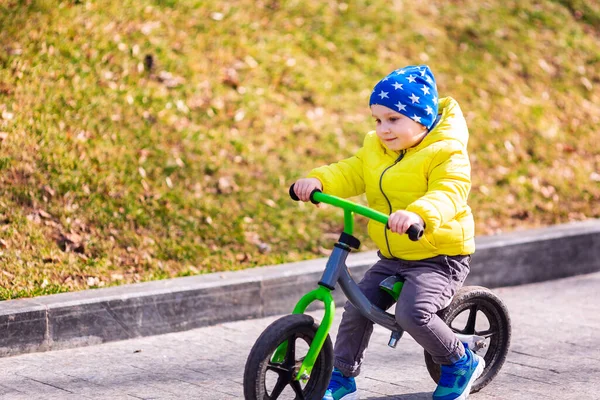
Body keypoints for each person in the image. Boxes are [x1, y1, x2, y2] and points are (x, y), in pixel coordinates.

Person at [292, 65, 482, 400]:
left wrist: (418, 214)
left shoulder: (446, 150)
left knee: (413, 313)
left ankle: (459, 361)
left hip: (439, 256)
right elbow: (352, 171)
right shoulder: (376, 148)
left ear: (422, 118)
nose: (383, 129)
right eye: (377, 120)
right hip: (394, 254)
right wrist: (319, 180)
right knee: (357, 307)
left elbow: (449, 191)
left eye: (394, 119)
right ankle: (342, 376)